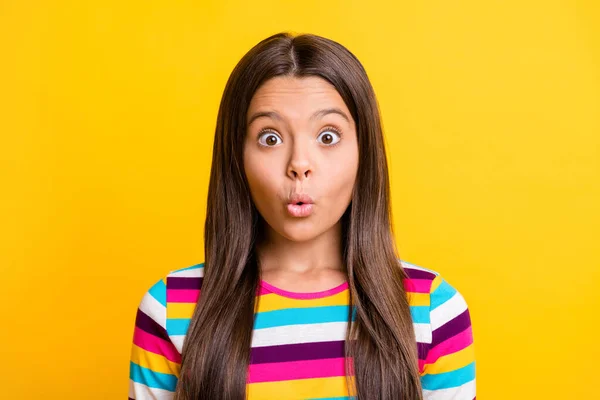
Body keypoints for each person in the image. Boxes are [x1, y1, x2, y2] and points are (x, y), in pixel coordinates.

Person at [128, 32, 476, 400]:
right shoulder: (170, 309)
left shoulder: (434, 312)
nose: (299, 165)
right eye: (270, 138)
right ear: (237, 157)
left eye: (327, 136)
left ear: (364, 153)